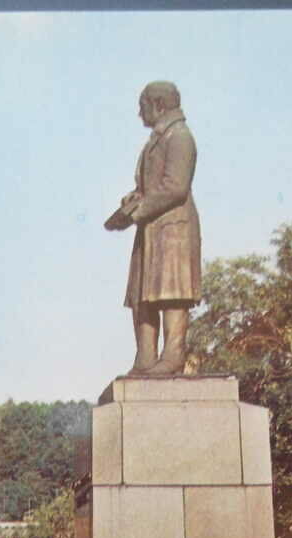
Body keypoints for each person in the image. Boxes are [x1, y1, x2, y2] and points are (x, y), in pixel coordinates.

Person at [105, 81, 201, 375]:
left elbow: (175, 188)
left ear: (158, 105)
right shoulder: (157, 140)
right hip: (151, 229)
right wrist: (133, 201)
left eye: (142, 106)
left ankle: (172, 356)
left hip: (173, 229)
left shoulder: (180, 137)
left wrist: (137, 213)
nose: (139, 113)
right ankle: (145, 357)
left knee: (172, 293)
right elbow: (148, 185)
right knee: (142, 295)